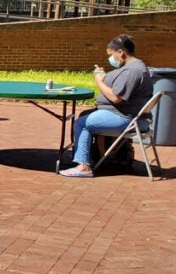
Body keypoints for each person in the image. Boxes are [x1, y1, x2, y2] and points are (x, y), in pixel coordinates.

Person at [60, 34, 153, 178]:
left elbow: (116, 98)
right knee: (85, 115)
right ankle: (91, 156)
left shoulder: (132, 71)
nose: (111, 59)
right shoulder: (135, 67)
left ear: (121, 52)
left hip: (127, 118)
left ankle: (83, 166)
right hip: (131, 115)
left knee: (81, 124)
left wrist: (99, 81)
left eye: (111, 55)